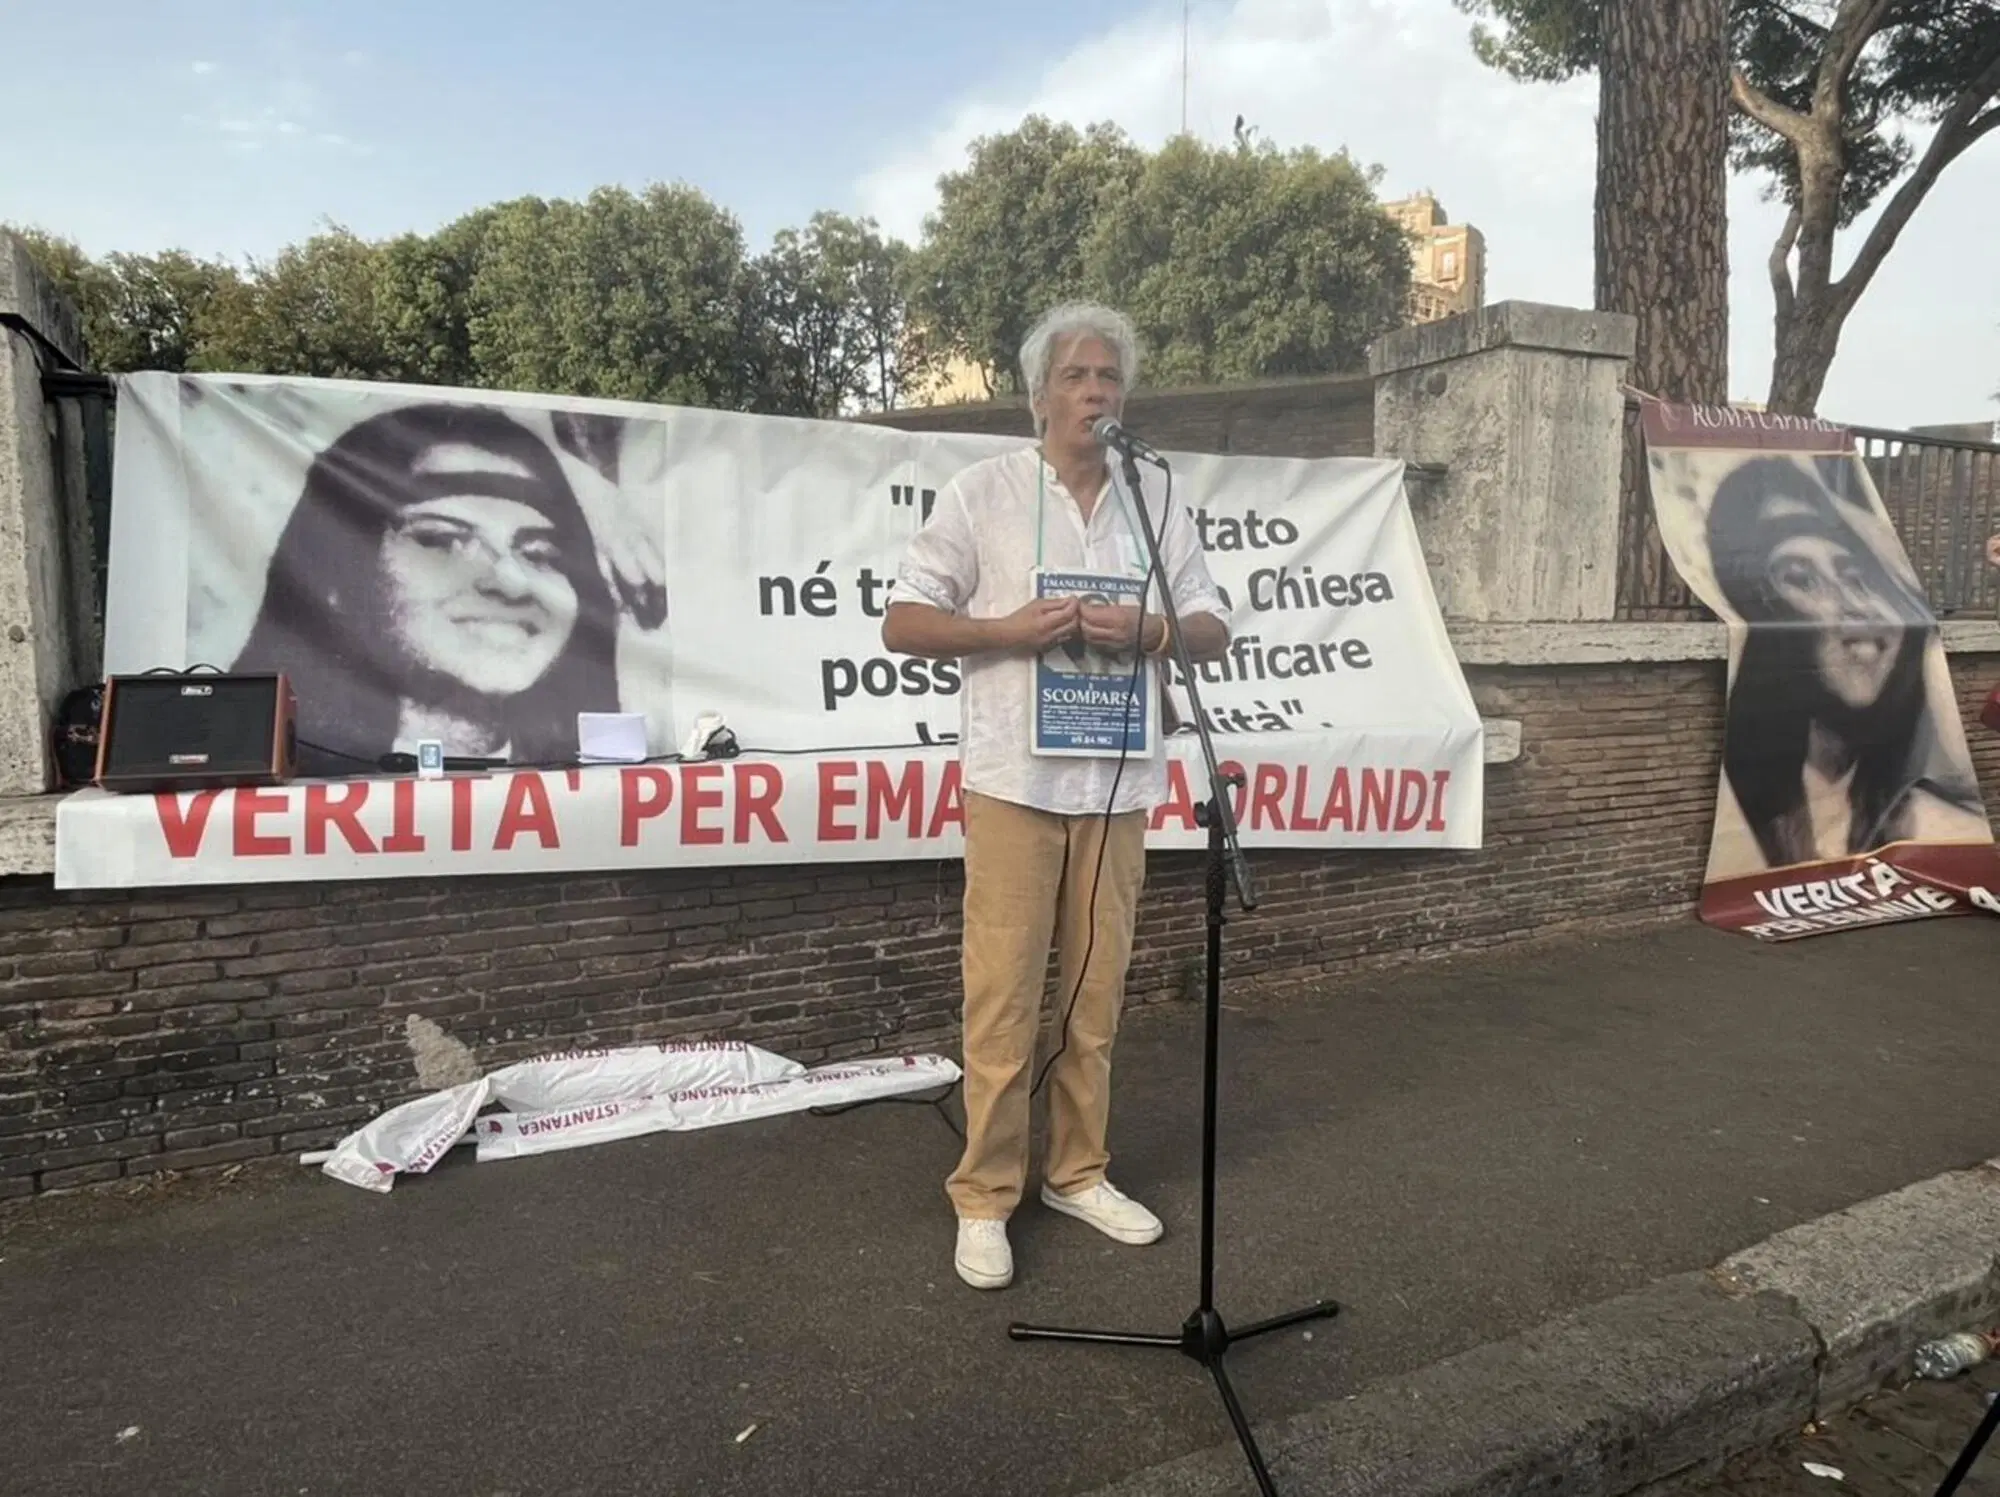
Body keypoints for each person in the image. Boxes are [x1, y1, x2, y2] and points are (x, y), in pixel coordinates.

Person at [881, 303, 1232, 1291]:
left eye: (1108, 377)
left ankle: (1077, 1173)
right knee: (1001, 998)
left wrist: (1150, 632)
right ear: (1037, 396)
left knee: (1094, 994)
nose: (1094, 391)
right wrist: (1007, 631)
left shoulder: (1153, 500)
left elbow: (1210, 626)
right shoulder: (982, 491)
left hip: (1116, 783)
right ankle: (985, 1195)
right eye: (1075, 376)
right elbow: (902, 623)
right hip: (1012, 783)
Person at [233, 401, 645, 775]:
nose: (513, 581)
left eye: (539, 553)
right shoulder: (286, 789)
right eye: (441, 540)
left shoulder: (594, 784)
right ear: (332, 575)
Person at [1703, 455, 1988, 868]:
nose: (1855, 605)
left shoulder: (1928, 813)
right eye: (1801, 579)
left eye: (1857, 578)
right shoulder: (1753, 805)